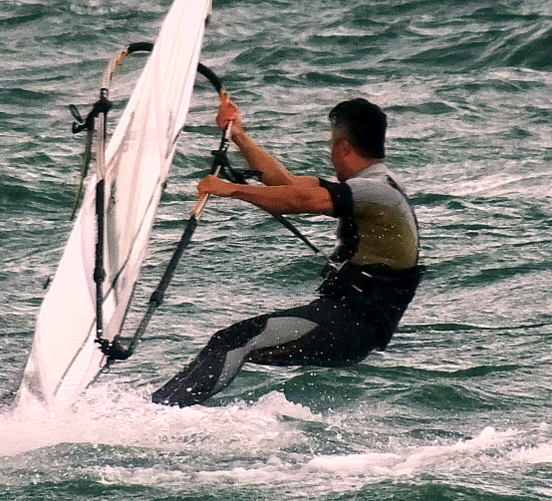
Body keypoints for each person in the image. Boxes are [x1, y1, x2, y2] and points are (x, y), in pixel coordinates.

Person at [150, 95, 424, 407]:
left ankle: (160, 411)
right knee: (230, 342)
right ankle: (159, 407)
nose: (330, 152)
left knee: (235, 341)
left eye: (331, 144)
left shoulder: (377, 190)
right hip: (344, 322)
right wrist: (238, 135)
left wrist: (232, 189)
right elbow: (286, 183)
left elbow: (303, 201)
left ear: (344, 147)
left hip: (351, 326)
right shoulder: (373, 184)